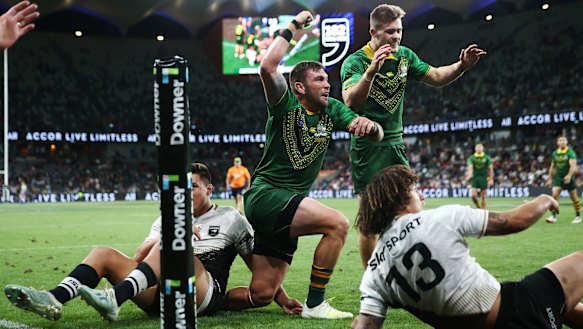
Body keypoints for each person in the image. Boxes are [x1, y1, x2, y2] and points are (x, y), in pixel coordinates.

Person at [224, 11, 383, 320]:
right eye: (319, 80)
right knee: (337, 224)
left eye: (328, 79)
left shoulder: (333, 109)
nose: (327, 84)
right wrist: (295, 26)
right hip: (267, 196)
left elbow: (370, 131)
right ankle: (316, 304)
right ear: (299, 87)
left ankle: (206, 301)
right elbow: (266, 67)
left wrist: (371, 128)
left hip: (287, 207)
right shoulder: (285, 104)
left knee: (262, 293)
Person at [5, 163, 301, 321]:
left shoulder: (231, 218)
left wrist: (282, 298)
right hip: (159, 295)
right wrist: (175, 226)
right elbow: (140, 256)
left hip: (202, 292)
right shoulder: (168, 216)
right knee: (104, 252)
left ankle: (114, 298)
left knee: (176, 245)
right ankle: (54, 298)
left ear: (209, 189)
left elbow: (259, 269)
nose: (186, 193)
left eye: (193, 188)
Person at [340, 4, 487, 269]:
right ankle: (371, 279)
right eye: (389, 32)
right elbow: (350, 101)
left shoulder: (405, 56)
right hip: (368, 147)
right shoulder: (356, 62)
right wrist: (371, 72)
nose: (396, 37)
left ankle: (414, 269)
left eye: (399, 31)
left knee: (414, 210)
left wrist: (462, 66)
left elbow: (436, 76)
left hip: (396, 144)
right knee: (370, 221)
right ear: (373, 31)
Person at [351, 164, 583, 329]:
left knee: (566, 308)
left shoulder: (374, 270)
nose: (422, 197)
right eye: (414, 191)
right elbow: (515, 221)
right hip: (519, 309)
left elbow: (367, 324)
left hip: (487, 318)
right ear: (398, 198)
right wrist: (542, 200)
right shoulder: (439, 218)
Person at [545, 135, 581, 224]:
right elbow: (552, 167)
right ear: (557, 143)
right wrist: (549, 178)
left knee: (574, 198)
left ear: (567, 142)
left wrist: (569, 176)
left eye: (564, 140)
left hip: (569, 179)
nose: (562, 142)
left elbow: (573, 166)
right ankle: (553, 216)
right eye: (560, 140)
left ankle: (578, 216)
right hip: (558, 178)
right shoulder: (555, 153)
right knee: (554, 195)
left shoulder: (570, 152)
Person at [465, 143, 494, 209]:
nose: (479, 148)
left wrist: (491, 179)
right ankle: (478, 207)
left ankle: (483, 211)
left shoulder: (487, 157)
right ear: (475, 149)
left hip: (484, 178)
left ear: (483, 148)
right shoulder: (472, 158)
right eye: (477, 147)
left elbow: (490, 168)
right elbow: (470, 167)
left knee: (483, 197)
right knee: (473, 196)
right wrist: (469, 175)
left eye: (480, 147)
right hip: (475, 178)